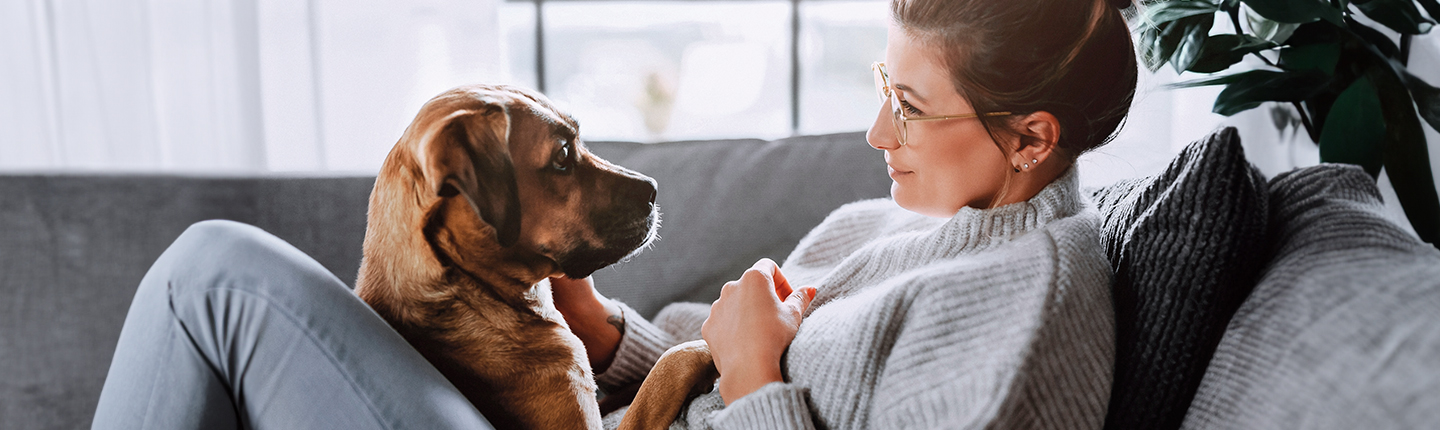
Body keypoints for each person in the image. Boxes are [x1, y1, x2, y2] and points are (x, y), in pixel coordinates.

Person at [93, 0, 1137, 428]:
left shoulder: (1031, 316)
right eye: (881, 83)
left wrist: (756, 377)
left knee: (213, 276)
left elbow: (740, 365)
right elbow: (695, 351)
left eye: (907, 106)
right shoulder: (901, 225)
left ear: (1032, 137)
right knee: (213, 277)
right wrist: (604, 331)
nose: (875, 132)